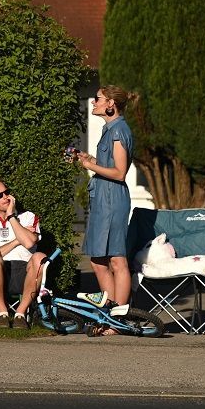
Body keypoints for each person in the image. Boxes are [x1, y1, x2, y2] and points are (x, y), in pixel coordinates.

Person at [74, 85, 137, 327]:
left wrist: (92, 167)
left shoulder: (119, 130)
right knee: (98, 260)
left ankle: (118, 320)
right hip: (102, 199)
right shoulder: (109, 130)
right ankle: (110, 314)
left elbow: (120, 172)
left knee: (117, 260)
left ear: (111, 104)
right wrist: (92, 160)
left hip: (112, 200)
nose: (93, 103)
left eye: (98, 99)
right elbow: (109, 165)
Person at [0, 176, 46, 328]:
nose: (5, 197)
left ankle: (20, 314)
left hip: (26, 272)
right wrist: (16, 240)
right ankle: (3, 313)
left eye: (6, 192)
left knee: (40, 257)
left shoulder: (28, 217)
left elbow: (28, 242)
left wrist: (11, 216)